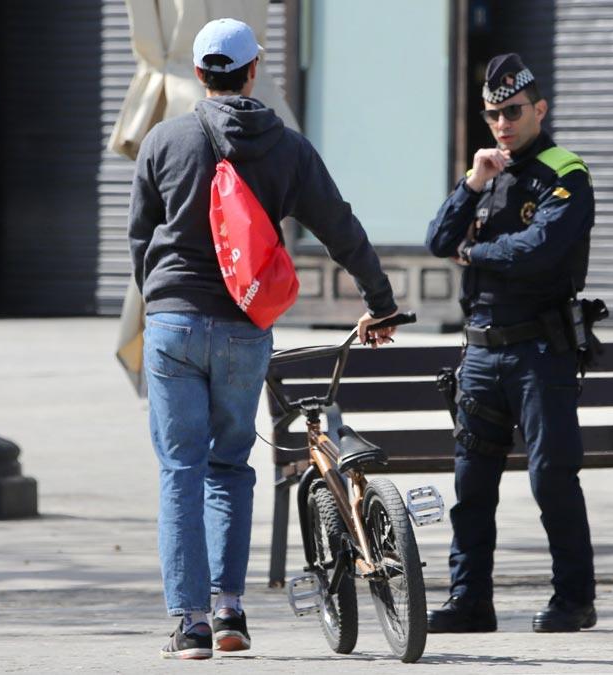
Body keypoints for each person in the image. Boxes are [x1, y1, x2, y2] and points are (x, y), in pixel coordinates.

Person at [128, 17, 399, 660]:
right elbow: (341, 227)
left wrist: (166, 301)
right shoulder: (289, 149)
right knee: (228, 466)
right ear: (253, 72)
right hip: (246, 330)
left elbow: (140, 239)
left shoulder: (164, 140)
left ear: (199, 75)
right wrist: (380, 302)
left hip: (173, 324)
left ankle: (189, 625)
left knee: (180, 471)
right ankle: (229, 613)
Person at [424, 53, 598, 633]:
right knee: (471, 485)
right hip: (480, 354)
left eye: (514, 111)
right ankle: (470, 601)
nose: (503, 123)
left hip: (538, 352)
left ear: (539, 109)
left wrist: (473, 254)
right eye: (493, 113)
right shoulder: (487, 172)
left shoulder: (565, 172)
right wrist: (473, 182)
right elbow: (437, 240)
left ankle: (573, 600)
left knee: (551, 475)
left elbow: (538, 250)